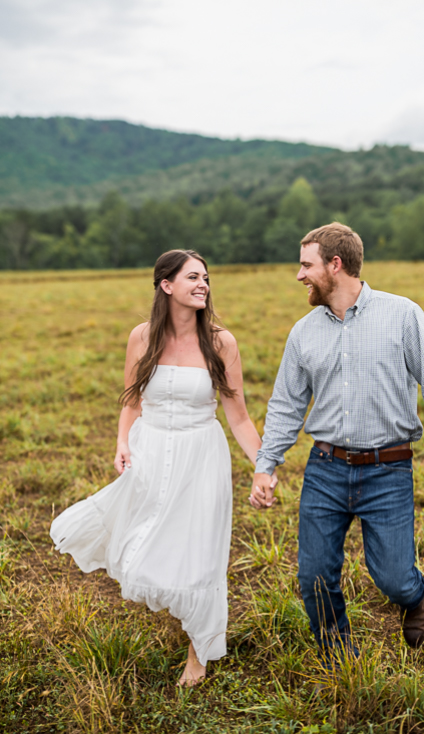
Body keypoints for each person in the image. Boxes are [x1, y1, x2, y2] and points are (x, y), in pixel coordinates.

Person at [248, 222, 424, 670]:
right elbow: (286, 406)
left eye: (306, 265)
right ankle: (338, 656)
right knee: (313, 577)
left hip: (387, 471)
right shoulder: (302, 333)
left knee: (393, 579)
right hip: (325, 468)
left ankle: (413, 597)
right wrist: (265, 464)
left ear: (336, 264)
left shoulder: (402, 315)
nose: (299, 275)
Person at [50, 249, 270, 687]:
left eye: (206, 277)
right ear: (166, 285)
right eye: (192, 277)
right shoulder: (142, 336)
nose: (203, 284)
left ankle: (198, 652)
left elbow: (240, 417)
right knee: (145, 540)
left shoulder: (221, 342)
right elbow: (132, 399)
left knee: (201, 552)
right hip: (150, 449)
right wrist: (121, 442)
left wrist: (263, 468)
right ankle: (180, 608)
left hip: (202, 455)